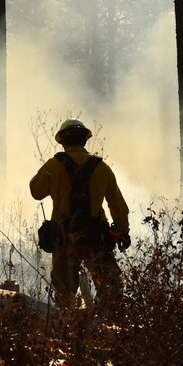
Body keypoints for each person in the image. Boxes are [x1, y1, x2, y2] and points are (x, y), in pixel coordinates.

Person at [29, 118, 130, 307]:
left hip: (65, 239)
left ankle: (67, 330)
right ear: (85, 140)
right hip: (97, 240)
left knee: (64, 295)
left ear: (63, 142)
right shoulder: (102, 167)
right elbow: (117, 205)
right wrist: (123, 231)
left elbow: (36, 192)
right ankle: (110, 330)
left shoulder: (53, 165)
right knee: (111, 291)